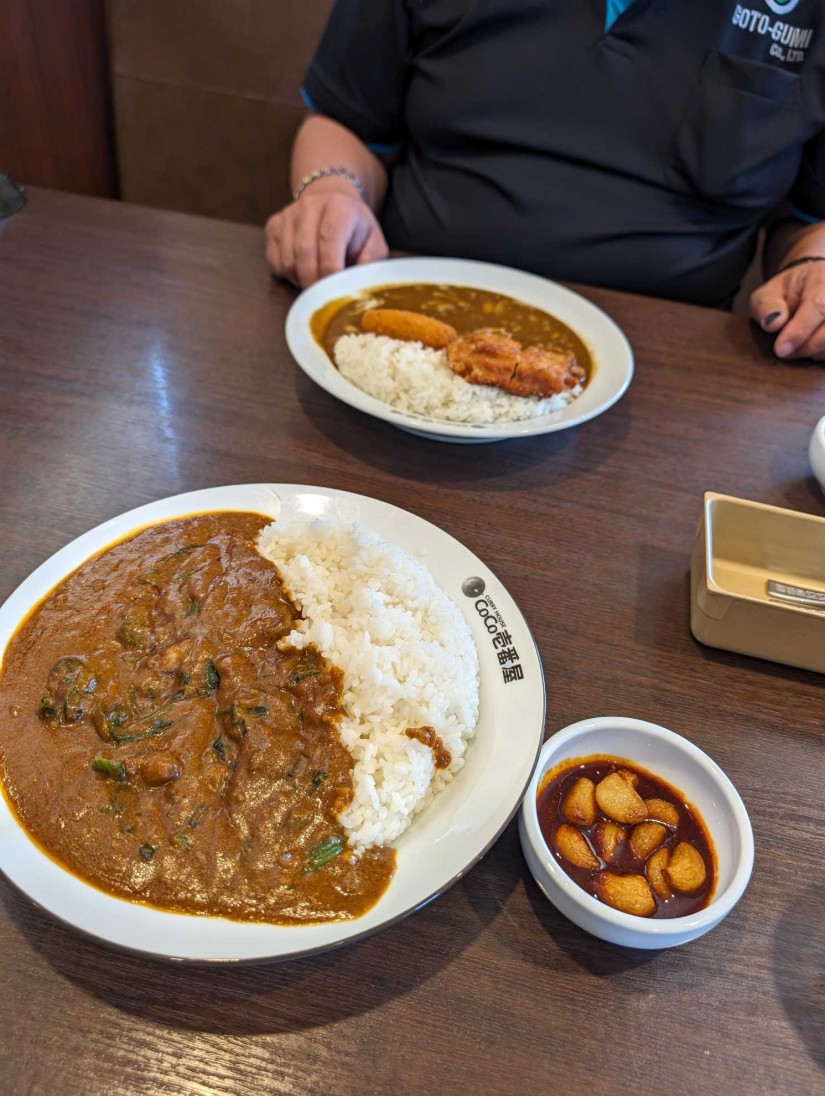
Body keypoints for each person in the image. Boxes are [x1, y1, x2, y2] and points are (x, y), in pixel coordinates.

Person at [265, 0, 825, 361]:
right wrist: (332, 190)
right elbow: (350, 125)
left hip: (672, 365)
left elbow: (807, 220)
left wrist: (813, 269)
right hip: (403, 322)